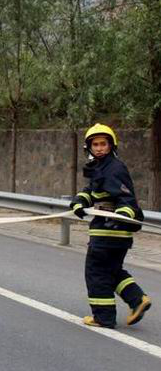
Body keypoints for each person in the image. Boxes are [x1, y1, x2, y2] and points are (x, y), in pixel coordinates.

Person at [70, 123, 152, 328]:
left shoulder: (114, 168)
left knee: (96, 272)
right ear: (89, 147)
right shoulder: (102, 167)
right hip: (114, 233)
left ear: (111, 145)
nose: (99, 148)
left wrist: (120, 217)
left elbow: (126, 198)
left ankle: (103, 317)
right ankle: (137, 300)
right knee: (111, 270)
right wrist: (79, 202)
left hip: (109, 232)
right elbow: (93, 191)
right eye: (95, 144)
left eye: (103, 144)